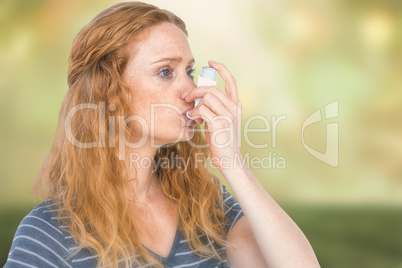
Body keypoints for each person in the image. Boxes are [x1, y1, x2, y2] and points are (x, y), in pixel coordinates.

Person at [4, 2, 320, 268]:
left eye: (189, 71)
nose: (191, 91)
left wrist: (233, 163)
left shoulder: (207, 204)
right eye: (166, 72)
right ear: (110, 93)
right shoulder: (49, 232)